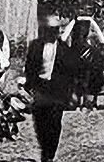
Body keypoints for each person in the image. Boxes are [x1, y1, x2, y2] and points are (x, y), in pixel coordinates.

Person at [24, 12, 72, 162]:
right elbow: (30, 67)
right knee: (40, 123)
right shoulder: (35, 46)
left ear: (57, 32)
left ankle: (49, 155)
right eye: (49, 30)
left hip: (57, 92)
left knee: (55, 123)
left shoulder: (64, 49)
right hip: (40, 90)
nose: (52, 33)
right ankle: (44, 148)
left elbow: (70, 73)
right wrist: (30, 86)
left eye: (55, 30)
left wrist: (69, 95)